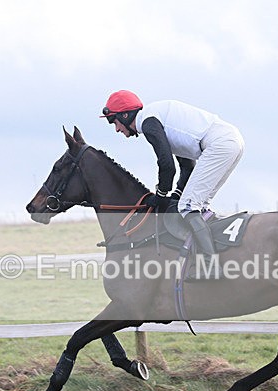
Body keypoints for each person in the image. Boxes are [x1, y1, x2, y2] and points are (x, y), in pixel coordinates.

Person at [100, 90, 244, 263]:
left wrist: (160, 195)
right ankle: (213, 255)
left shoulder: (148, 123)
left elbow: (167, 165)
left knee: (188, 207)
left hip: (219, 144)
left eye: (114, 121)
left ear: (125, 115)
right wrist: (176, 194)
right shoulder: (156, 117)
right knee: (197, 206)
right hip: (230, 141)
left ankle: (210, 263)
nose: (116, 129)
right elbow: (187, 166)